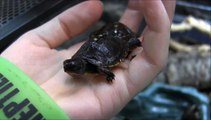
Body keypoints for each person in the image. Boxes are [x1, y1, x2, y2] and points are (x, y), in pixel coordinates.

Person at [1, 0, 176, 119]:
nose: (68, 68)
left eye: (70, 66)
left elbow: (102, 66)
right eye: (68, 66)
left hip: (111, 46)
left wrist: (107, 73)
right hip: (100, 43)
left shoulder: (93, 66)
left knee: (133, 42)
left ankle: (131, 41)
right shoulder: (79, 64)